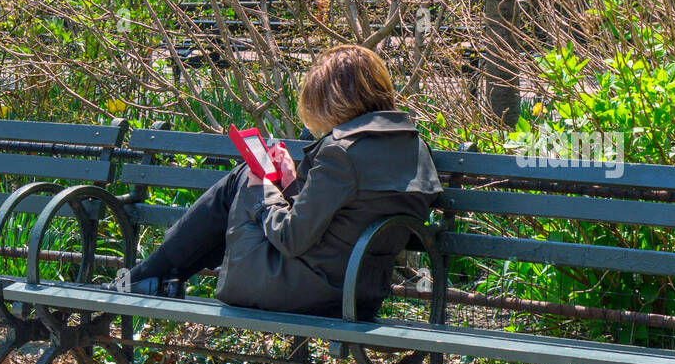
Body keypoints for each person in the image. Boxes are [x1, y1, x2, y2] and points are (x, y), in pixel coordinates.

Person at [122, 44, 442, 318]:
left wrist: (266, 190)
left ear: (338, 102)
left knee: (243, 179)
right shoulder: (415, 147)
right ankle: (156, 278)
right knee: (248, 184)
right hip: (362, 294)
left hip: (305, 291)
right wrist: (288, 183)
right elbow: (346, 220)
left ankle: (149, 277)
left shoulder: (341, 153)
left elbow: (290, 238)